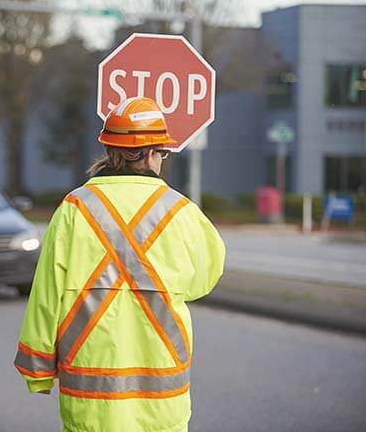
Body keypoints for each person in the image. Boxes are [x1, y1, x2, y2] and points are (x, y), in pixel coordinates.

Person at [14, 96, 226, 432]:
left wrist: (37, 368)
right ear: (150, 153)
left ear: (110, 150)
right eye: (162, 152)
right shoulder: (181, 211)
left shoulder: (75, 208)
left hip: (91, 390)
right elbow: (203, 280)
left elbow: (46, 294)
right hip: (162, 388)